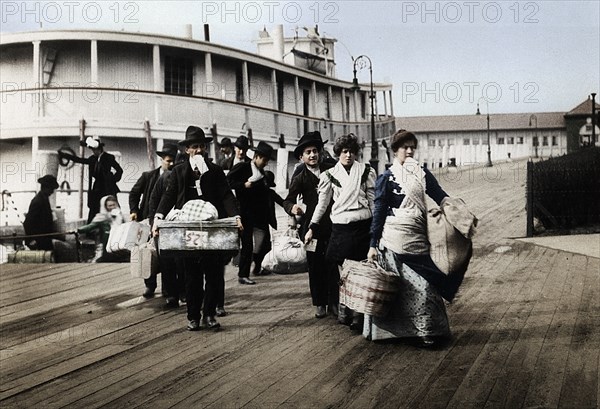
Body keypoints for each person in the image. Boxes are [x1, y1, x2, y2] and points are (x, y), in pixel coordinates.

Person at [366, 130, 465, 346]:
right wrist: (373, 245)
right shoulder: (386, 178)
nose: (409, 151)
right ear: (395, 150)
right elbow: (379, 212)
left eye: (412, 147)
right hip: (393, 240)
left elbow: (440, 196)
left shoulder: (422, 174)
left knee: (427, 288)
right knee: (401, 290)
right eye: (404, 147)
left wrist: (458, 213)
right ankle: (395, 333)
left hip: (418, 239)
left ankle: (428, 331)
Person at [153, 125, 242, 331]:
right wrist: (158, 218)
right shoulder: (179, 171)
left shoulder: (215, 171)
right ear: (187, 150)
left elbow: (226, 195)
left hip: (212, 229)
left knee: (214, 275)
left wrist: (236, 216)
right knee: (191, 276)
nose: (199, 150)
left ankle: (209, 314)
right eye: (195, 147)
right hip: (188, 231)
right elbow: (169, 196)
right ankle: (193, 316)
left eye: (202, 146)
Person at [305, 133, 376, 332]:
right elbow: (322, 204)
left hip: (362, 226)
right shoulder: (328, 176)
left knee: (361, 272)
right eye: (345, 152)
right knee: (344, 272)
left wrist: (377, 227)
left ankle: (358, 315)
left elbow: (372, 200)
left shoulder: (366, 171)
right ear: (338, 154)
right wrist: (312, 227)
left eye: (352, 152)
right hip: (341, 229)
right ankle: (345, 308)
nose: (348, 155)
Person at [283, 132, 338, 319]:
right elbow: (287, 201)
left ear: (320, 153)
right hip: (310, 230)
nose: (312, 155)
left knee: (332, 263)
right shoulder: (300, 176)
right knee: (315, 266)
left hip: (332, 224)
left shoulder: (331, 169)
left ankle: (334, 302)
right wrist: (293, 208)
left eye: (315, 151)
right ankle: (320, 304)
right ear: (301, 157)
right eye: (308, 152)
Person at [129, 144, 178, 299]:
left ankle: (167, 290)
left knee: (166, 257)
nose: (171, 164)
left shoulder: (176, 176)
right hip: (148, 220)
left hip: (167, 222)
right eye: (168, 161)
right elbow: (134, 193)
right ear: (162, 159)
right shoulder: (148, 176)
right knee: (147, 253)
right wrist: (134, 210)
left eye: (173, 161)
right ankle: (150, 286)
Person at [227, 141, 275, 284]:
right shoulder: (243, 167)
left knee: (265, 243)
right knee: (247, 244)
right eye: (264, 160)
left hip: (260, 214)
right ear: (257, 157)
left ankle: (257, 267)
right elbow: (227, 181)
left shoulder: (262, 173)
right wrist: (243, 185)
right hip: (245, 212)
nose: (265, 163)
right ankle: (243, 274)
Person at [58, 136, 123, 223]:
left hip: (108, 187)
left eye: (94, 150)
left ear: (99, 149)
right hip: (97, 187)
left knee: (111, 206)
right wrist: (65, 155)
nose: (93, 152)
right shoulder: (92, 159)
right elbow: (80, 160)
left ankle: (116, 225)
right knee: (94, 208)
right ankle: (91, 228)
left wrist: (112, 179)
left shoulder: (108, 157)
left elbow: (119, 170)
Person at [77, 195, 125, 262]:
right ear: (105, 206)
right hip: (105, 244)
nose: (112, 207)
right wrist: (78, 230)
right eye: (110, 206)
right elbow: (90, 226)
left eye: (114, 205)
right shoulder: (101, 217)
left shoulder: (120, 216)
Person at [23, 174, 59, 251]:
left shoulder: (44, 199)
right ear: (45, 187)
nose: (52, 192)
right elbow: (28, 222)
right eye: (51, 188)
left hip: (44, 238)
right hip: (39, 240)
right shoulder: (38, 201)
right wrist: (31, 239)